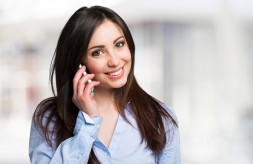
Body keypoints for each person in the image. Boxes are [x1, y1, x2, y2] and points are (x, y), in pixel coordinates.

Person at [29, 5, 180, 164]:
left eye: (119, 44)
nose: (114, 61)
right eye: (98, 52)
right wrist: (88, 124)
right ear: (79, 63)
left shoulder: (161, 118)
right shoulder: (48, 117)